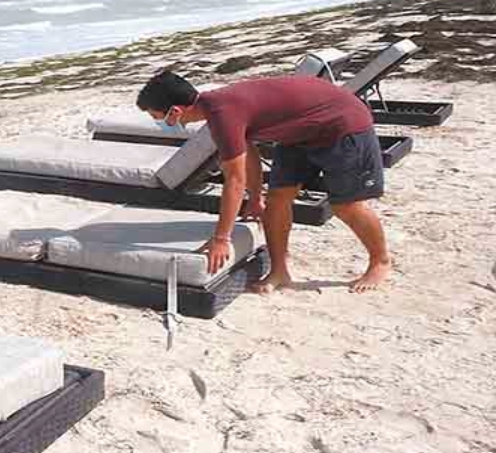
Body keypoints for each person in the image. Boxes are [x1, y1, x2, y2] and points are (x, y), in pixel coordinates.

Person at [136, 71, 392, 293]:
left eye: (158, 118)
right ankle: (280, 271)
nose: (161, 124)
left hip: (342, 125)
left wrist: (221, 238)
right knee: (276, 200)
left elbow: (234, 181)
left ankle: (380, 261)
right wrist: (256, 197)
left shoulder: (223, 113)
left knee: (346, 206)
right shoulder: (216, 110)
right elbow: (249, 158)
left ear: (176, 111)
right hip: (297, 132)